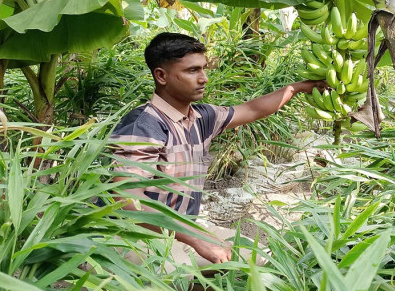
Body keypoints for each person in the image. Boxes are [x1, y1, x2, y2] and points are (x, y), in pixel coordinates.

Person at [110, 32, 325, 268]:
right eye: (192, 71)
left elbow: (252, 110)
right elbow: (126, 199)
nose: (204, 79)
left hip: (181, 230)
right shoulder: (144, 126)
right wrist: (196, 238)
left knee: (259, 257)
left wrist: (299, 88)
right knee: (175, 271)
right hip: (131, 233)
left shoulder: (202, 117)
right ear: (161, 76)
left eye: (203, 69)